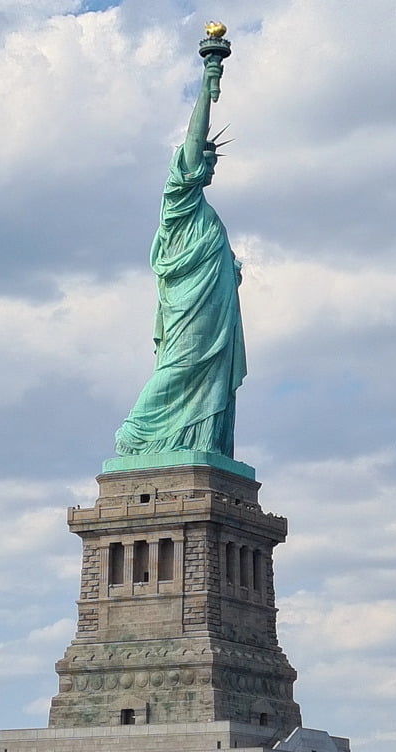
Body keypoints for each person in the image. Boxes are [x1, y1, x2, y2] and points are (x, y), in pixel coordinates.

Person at [114, 35, 246, 461]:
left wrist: (231, 270)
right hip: (190, 311)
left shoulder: (205, 213)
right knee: (180, 367)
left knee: (206, 373)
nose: (209, 165)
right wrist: (210, 80)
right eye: (206, 159)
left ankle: (201, 443)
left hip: (213, 312)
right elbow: (193, 141)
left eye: (212, 161)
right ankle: (137, 433)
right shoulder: (180, 200)